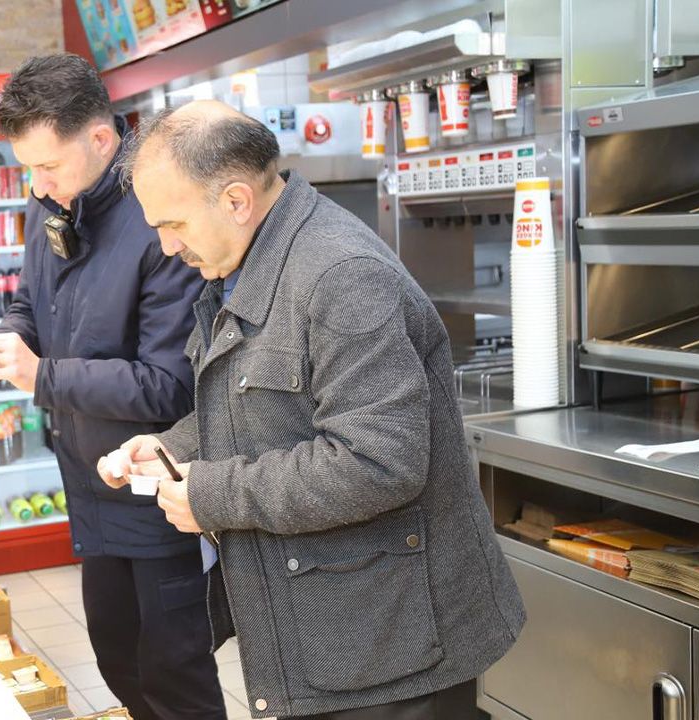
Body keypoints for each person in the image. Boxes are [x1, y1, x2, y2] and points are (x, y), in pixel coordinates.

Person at [100, 100, 526, 720]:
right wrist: (176, 448)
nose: (167, 247)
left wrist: (212, 494)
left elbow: (378, 462)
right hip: (337, 629)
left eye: (174, 224)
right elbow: (265, 402)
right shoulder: (245, 262)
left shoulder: (340, 275)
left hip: (394, 648)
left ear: (237, 200)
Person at [0, 54, 225, 720]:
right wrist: (0, 342)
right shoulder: (52, 206)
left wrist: (39, 374)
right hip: (88, 485)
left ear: (101, 139)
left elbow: (169, 386)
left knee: (174, 675)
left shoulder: (159, 222)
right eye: (28, 168)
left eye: (48, 165)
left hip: (157, 495)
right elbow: (29, 306)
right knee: (117, 660)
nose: (37, 183)